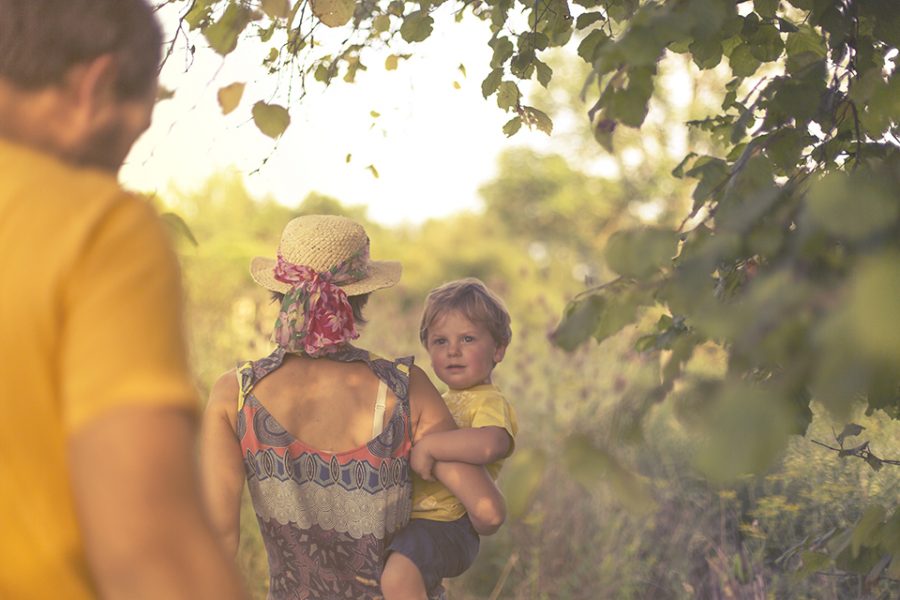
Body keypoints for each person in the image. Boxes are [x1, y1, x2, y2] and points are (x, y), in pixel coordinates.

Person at [0, 1, 248, 599]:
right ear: (96, 85)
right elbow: (150, 552)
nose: (115, 172)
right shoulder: (96, 227)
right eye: (127, 138)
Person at [200, 215, 507, 600]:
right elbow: (485, 509)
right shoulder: (406, 388)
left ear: (281, 295)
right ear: (361, 297)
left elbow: (219, 542)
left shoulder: (235, 393)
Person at [381, 278, 517, 599]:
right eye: (440, 341)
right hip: (420, 521)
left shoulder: (487, 400)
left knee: (398, 578)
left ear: (498, 349)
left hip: (450, 523)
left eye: (467, 338)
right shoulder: (440, 398)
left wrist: (430, 446)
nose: (453, 350)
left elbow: (491, 443)